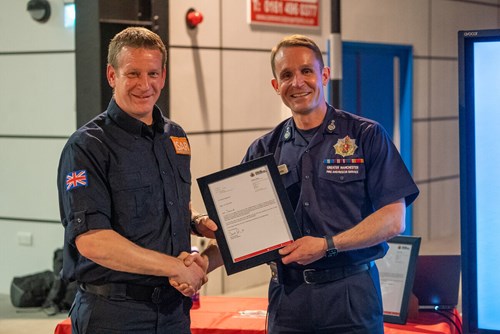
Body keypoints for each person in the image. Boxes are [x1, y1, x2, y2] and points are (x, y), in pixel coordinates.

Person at [242, 34, 420, 333]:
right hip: (288, 299)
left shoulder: (366, 136)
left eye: (306, 71)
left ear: (324, 75)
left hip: (350, 294)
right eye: (286, 75)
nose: (297, 82)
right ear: (276, 86)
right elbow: (244, 226)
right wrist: (199, 263)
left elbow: (393, 219)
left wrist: (328, 246)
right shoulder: (263, 150)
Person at [57, 27, 220, 334]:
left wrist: (196, 219)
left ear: (164, 75)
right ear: (111, 75)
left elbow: (172, 202)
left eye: (153, 73)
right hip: (114, 316)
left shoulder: (175, 137)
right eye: (132, 73)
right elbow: (93, 241)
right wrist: (176, 267)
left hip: (174, 311)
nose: (145, 85)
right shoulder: (87, 146)